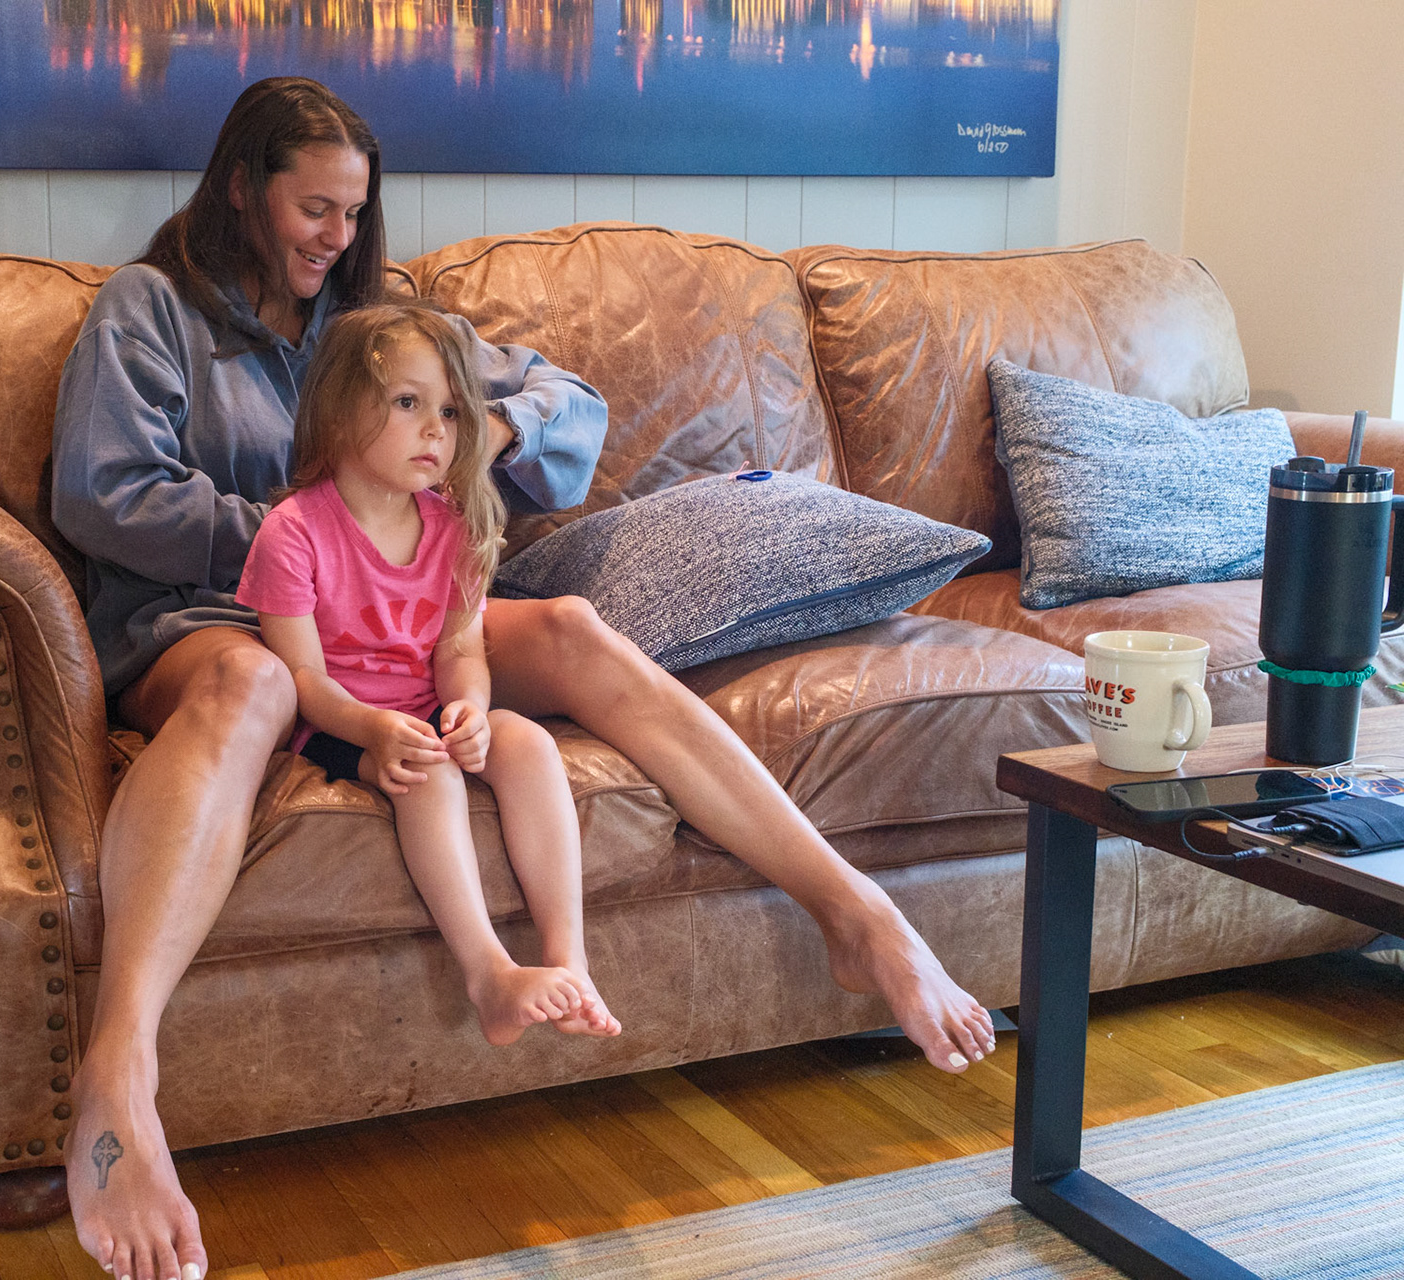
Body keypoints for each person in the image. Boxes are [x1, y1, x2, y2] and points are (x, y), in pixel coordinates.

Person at [52, 75, 995, 1280]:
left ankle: (856, 913)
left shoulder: (375, 322)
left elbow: (572, 407)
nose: (337, 237)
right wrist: (318, 537)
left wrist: (480, 435)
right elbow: (104, 492)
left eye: (354, 212)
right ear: (242, 189)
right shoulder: (149, 308)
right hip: (212, 619)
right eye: (314, 209)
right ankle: (118, 1070)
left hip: (397, 614)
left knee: (579, 628)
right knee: (256, 688)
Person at [236, 300, 622, 1047]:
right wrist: (376, 729)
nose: (436, 430)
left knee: (530, 744)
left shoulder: (455, 529)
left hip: (425, 708)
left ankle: (568, 959)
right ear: (340, 411)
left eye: (449, 411)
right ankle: (489, 976)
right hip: (337, 724)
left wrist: (470, 710)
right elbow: (304, 683)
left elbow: (459, 652)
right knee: (431, 776)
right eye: (408, 403)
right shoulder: (294, 532)